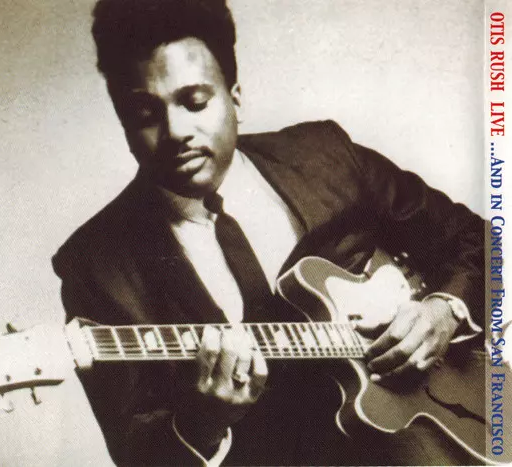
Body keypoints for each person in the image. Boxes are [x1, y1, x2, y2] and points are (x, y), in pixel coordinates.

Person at [52, 0, 485, 465]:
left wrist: (446, 309)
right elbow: (138, 454)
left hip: (438, 435)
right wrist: (201, 422)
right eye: (144, 113)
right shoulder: (95, 264)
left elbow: (477, 240)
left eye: (195, 102)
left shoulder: (325, 154)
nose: (175, 131)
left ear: (235, 96)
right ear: (122, 121)